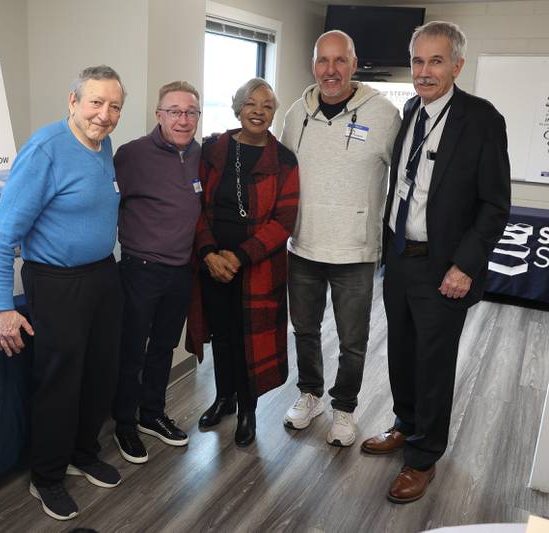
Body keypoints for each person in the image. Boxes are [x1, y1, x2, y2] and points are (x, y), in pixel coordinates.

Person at [360, 21, 510, 504]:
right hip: (401, 258)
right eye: (418, 62)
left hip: (445, 267)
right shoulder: (410, 109)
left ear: (458, 65)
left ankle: (423, 457)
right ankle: (406, 425)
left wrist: (465, 265)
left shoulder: (482, 119)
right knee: (400, 352)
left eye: (436, 61)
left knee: (434, 362)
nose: (424, 72)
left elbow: (495, 204)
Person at [0, 66, 126, 521]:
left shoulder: (104, 147)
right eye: (95, 103)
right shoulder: (45, 150)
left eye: (114, 106)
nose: (104, 115)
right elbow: (3, 235)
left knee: (100, 374)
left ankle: (83, 454)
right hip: (57, 282)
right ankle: (46, 477)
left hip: (103, 276)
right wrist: (0, 306)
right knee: (59, 384)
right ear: (72, 101)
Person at [279, 30, 400, 446]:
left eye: (340, 61)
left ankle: (344, 408)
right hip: (304, 246)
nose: (331, 70)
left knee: (353, 340)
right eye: (323, 61)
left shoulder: (383, 114)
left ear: (354, 63)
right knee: (305, 330)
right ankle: (309, 394)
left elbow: (404, 182)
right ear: (314, 65)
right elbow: (282, 178)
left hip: (355, 251)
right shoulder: (296, 113)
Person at [186, 78, 299, 447]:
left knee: (248, 337)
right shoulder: (213, 149)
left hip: (257, 267)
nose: (259, 111)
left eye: (267, 106)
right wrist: (208, 253)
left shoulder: (283, 160)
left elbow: (283, 222)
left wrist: (238, 255)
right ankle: (224, 398)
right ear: (238, 108)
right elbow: (197, 206)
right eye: (251, 103)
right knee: (221, 333)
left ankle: (248, 408)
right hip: (212, 263)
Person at [111, 81, 202, 464]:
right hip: (140, 269)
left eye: (190, 112)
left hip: (181, 270)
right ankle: (125, 424)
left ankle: (151, 414)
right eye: (174, 112)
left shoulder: (203, 154)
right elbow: (107, 204)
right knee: (131, 350)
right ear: (159, 115)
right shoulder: (131, 155)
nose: (183, 120)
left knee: (164, 348)